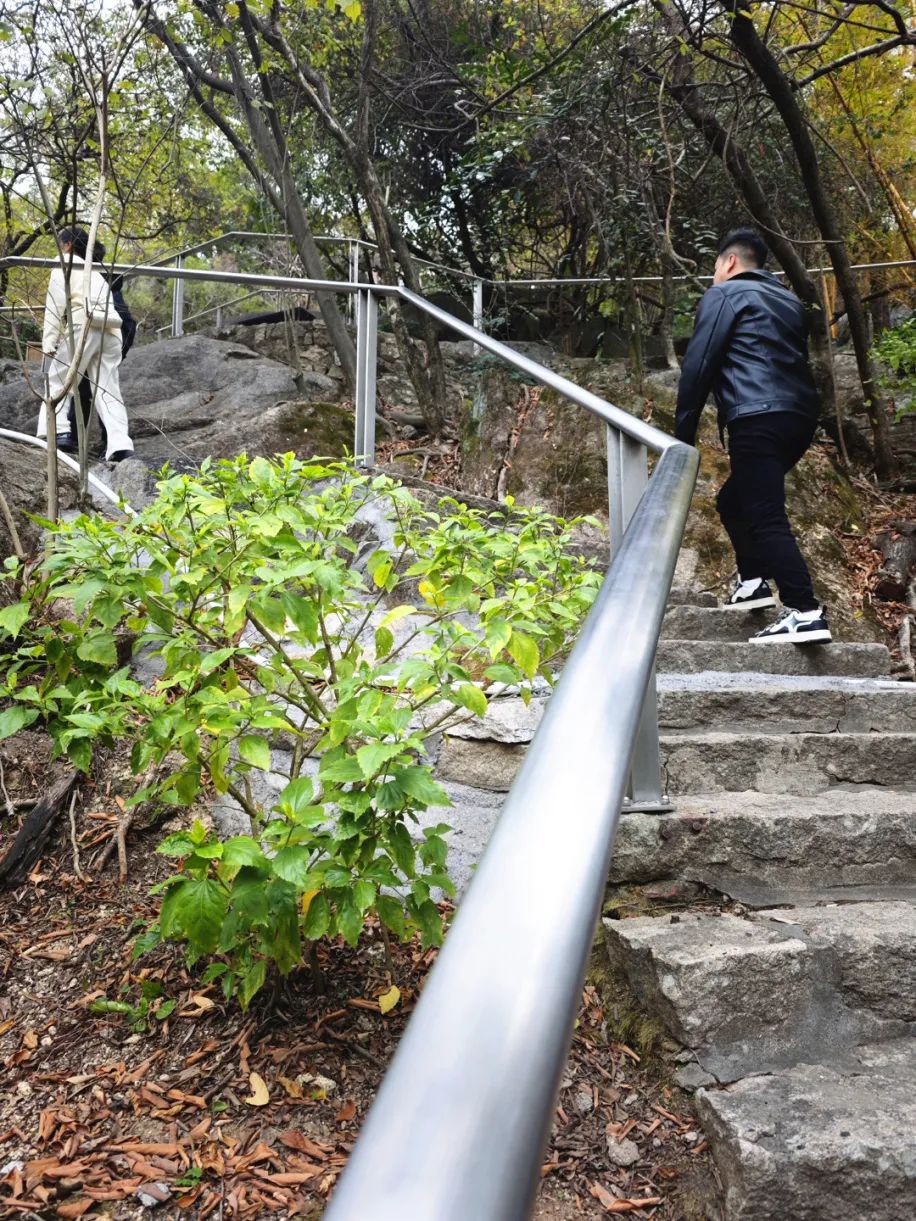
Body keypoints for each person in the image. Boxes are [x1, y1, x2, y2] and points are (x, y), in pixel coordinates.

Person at [675, 228, 831, 645]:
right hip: (798, 418)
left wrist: (682, 438)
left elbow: (700, 363)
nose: (714, 275)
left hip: (757, 416)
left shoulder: (724, 294)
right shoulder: (788, 302)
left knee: (764, 511)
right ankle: (752, 583)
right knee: (734, 500)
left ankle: (804, 610)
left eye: (714, 267)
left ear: (728, 262)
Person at [36, 225, 134, 463]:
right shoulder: (95, 270)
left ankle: (57, 431)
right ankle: (120, 444)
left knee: (58, 380)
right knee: (107, 388)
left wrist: (48, 342)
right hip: (111, 329)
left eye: (61, 243)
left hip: (84, 325)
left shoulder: (65, 262)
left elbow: (55, 305)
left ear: (68, 244)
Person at [67, 268, 136, 457]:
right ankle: (114, 445)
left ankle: (71, 438)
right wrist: (119, 353)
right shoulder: (112, 292)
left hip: (92, 338)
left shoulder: (86, 283)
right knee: (104, 391)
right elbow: (129, 325)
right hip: (111, 340)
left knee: (80, 389)